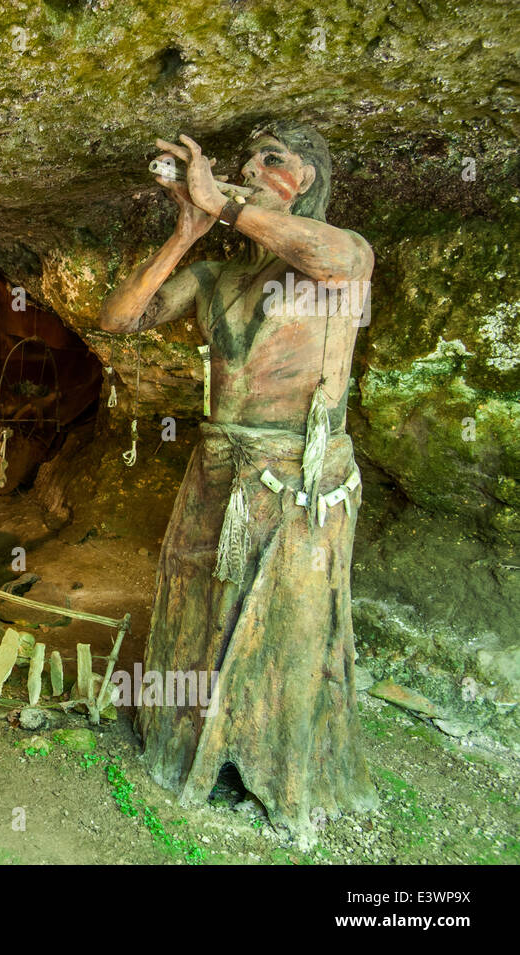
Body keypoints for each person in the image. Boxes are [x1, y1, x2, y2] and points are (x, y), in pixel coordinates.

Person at [99, 122, 377, 834]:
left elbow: (332, 258)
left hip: (294, 480)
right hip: (218, 469)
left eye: (271, 159)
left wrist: (221, 202)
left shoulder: (343, 255)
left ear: (306, 178)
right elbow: (120, 318)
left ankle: (278, 773)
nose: (251, 167)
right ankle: (186, 743)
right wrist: (188, 232)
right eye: (248, 158)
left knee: (282, 626)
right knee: (200, 609)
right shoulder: (218, 278)